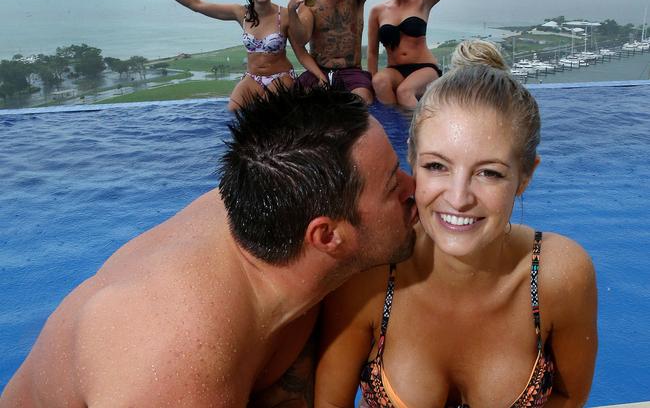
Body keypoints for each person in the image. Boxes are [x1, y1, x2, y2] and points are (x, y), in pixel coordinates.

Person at [0, 85, 419, 407]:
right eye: (391, 184)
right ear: (327, 236)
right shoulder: (175, 363)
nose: (414, 188)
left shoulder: (274, 218)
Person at [315, 64, 598, 406]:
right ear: (412, 158)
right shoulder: (370, 275)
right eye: (436, 166)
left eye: (490, 173)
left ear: (525, 177)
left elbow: (568, 398)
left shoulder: (559, 276)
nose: (459, 198)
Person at [145, 0, 327, 111]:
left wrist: (321, 76)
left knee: (264, 111)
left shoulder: (285, 14)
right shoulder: (241, 13)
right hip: (252, 77)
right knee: (233, 112)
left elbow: (301, 51)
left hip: (281, 77)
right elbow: (197, 5)